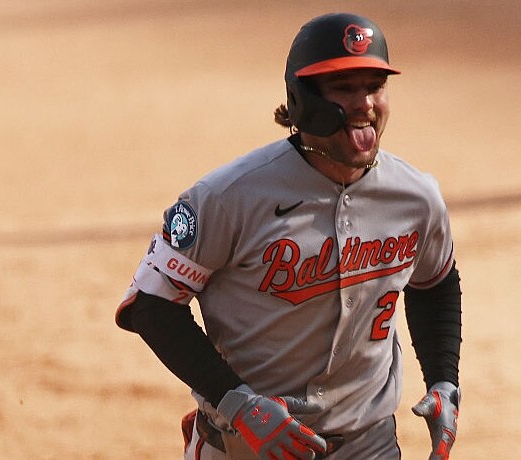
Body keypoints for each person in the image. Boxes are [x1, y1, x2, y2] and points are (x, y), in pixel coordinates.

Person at [116, 12, 462, 460]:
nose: (365, 104)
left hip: (368, 445)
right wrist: (237, 403)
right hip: (246, 449)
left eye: (374, 86)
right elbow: (150, 303)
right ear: (303, 99)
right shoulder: (228, 197)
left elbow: (435, 283)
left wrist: (443, 379)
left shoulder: (416, 197)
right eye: (344, 88)